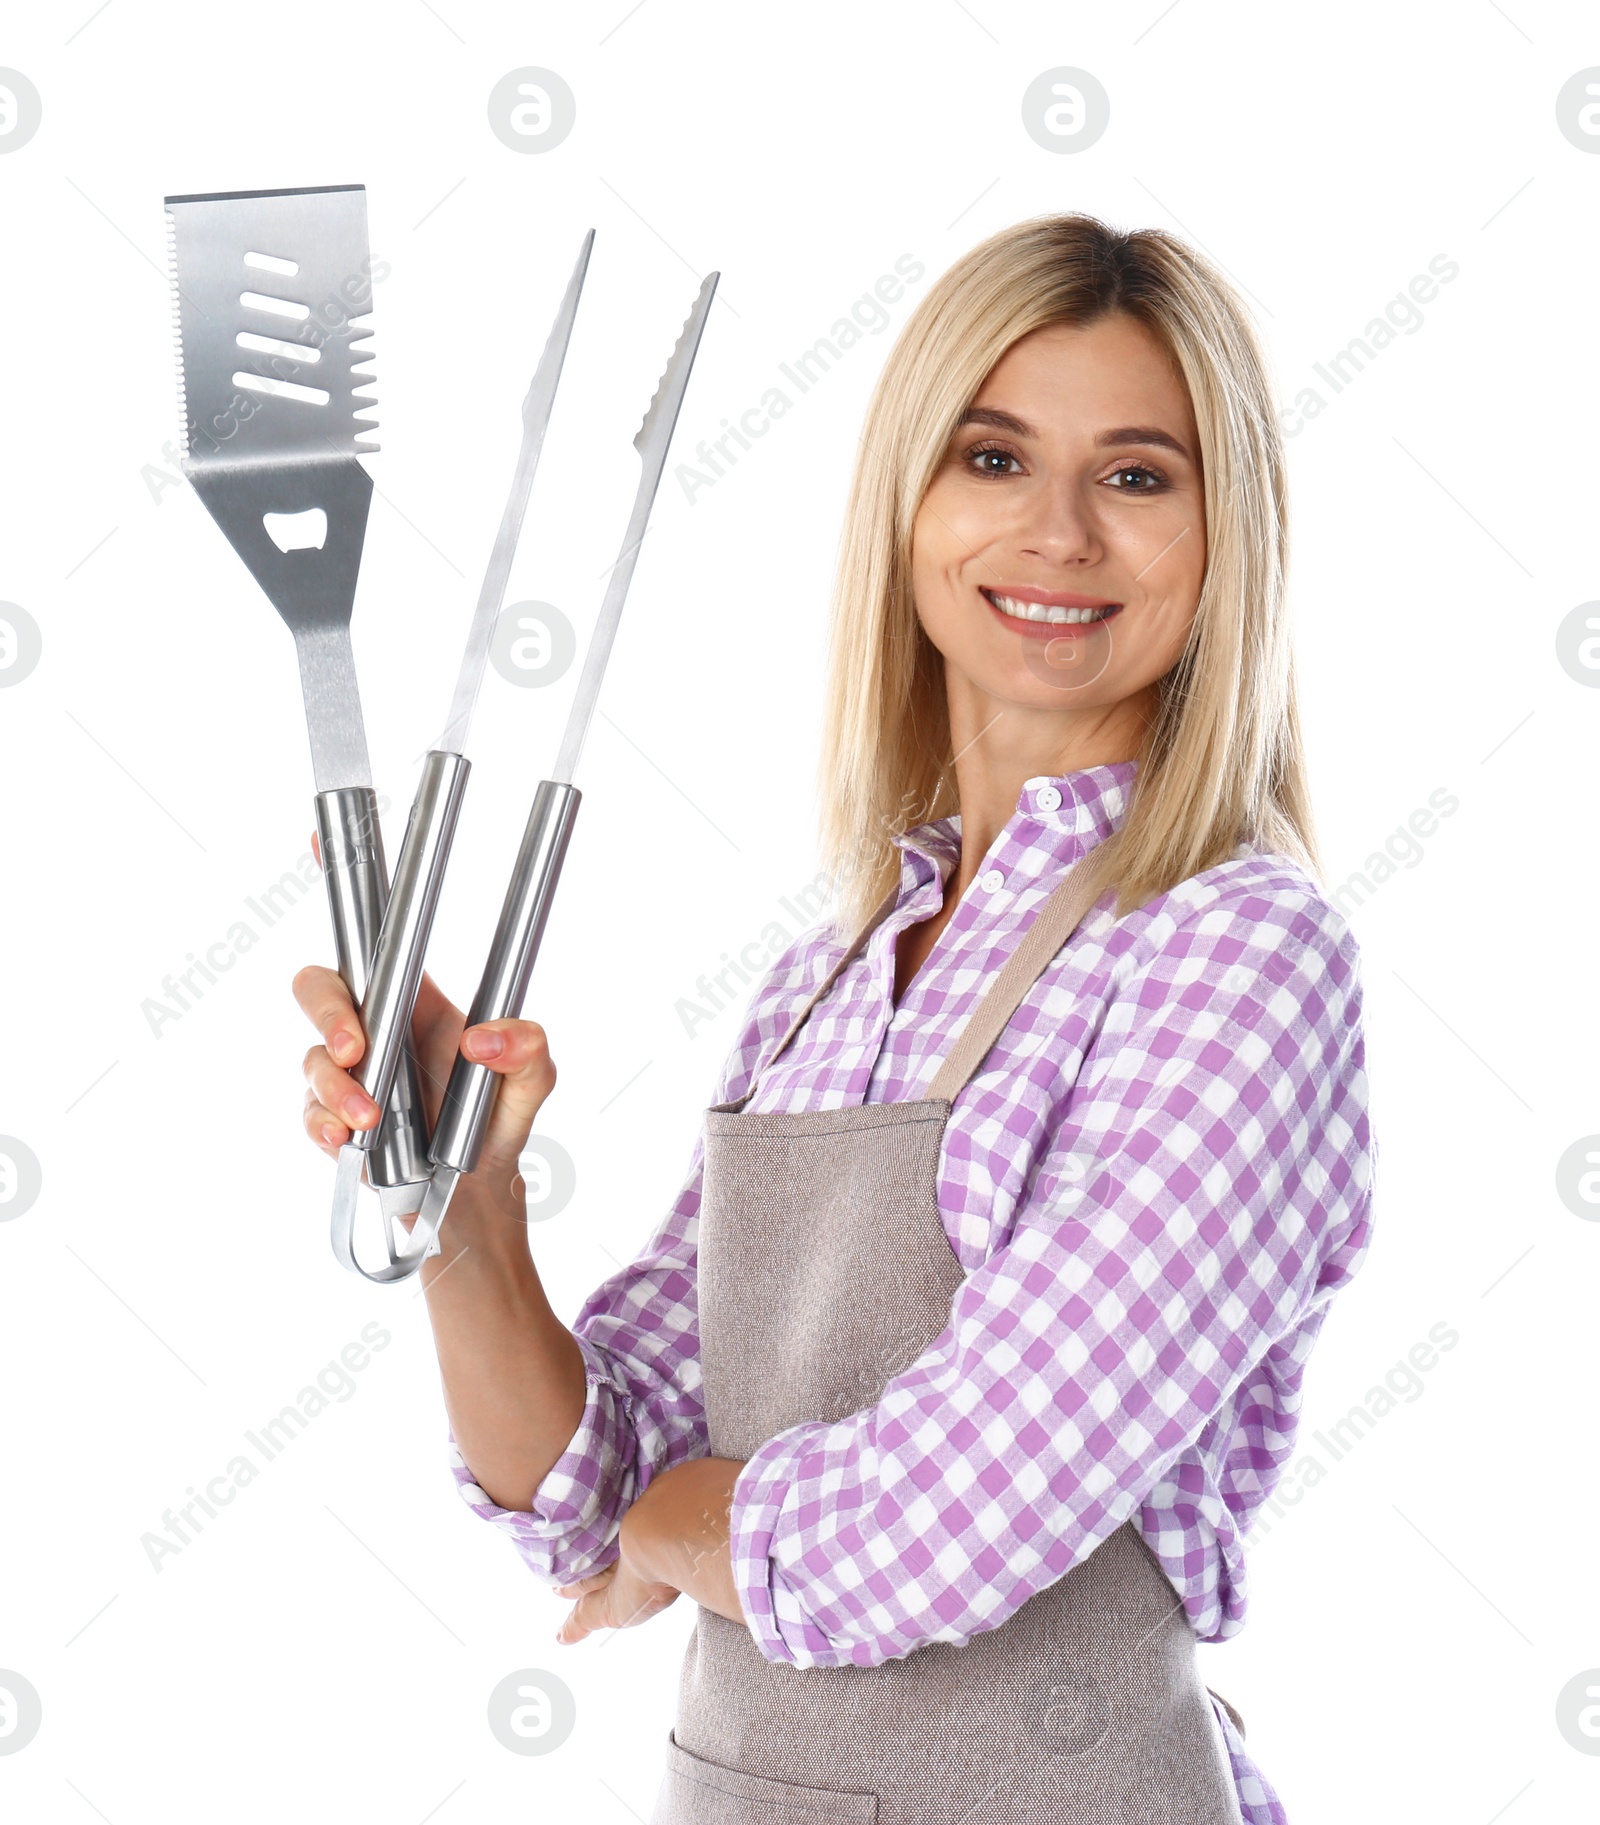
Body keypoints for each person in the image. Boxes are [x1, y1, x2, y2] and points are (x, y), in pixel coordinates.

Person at [296, 212, 1375, 1823]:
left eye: (1139, 475)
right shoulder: (833, 975)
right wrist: (466, 1213)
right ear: (910, 509)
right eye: (993, 457)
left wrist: (675, 1535)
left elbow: (945, 1517)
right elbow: (583, 1485)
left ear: (1231, 539)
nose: (1060, 531)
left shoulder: (1239, 955)